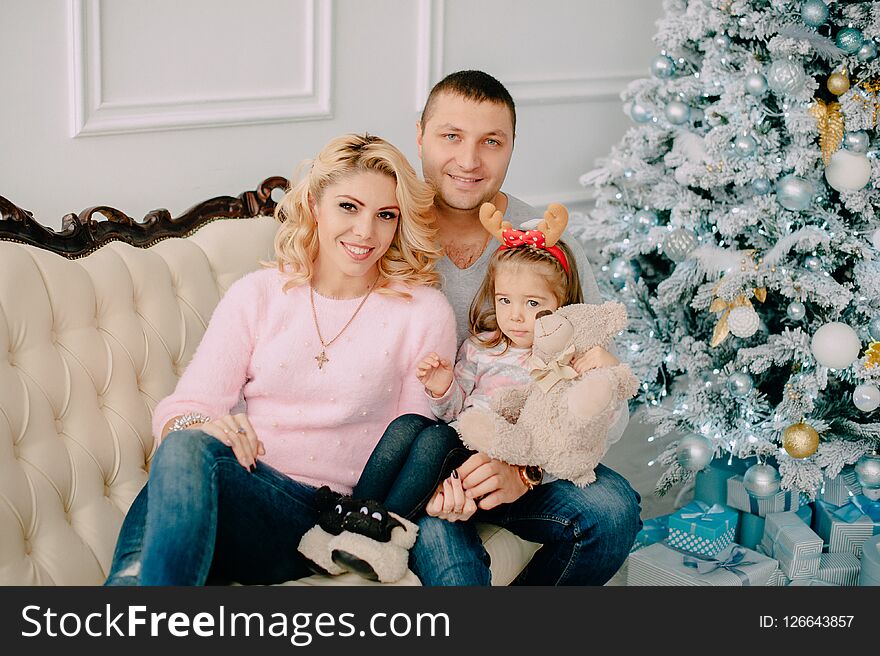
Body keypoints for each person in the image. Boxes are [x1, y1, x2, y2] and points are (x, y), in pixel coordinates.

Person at [104, 133, 457, 585]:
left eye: (385, 215)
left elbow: (413, 444)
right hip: (246, 487)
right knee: (186, 449)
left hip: (321, 521)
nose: (366, 232)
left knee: (186, 460)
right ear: (313, 204)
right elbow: (182, 410)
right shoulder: (259, 294)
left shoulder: (423, 312)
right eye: (348, 207)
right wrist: (206, 426)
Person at [408, 70, 643, 585]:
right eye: (451, 136)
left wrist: (527, 469)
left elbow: (606, 399)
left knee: (614, 508)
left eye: (491, 142)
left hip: (525, 448)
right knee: (453, 567)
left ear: (512, 147)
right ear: (420, 134)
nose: (469, 162)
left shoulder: (548, 247)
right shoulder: (387, 229)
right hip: (425, 457)